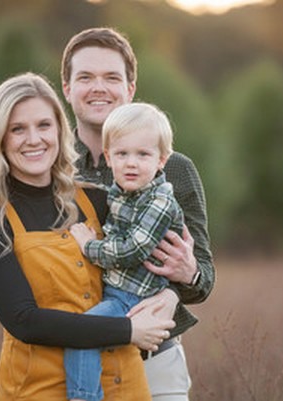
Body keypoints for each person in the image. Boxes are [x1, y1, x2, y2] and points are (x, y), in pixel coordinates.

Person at [0, 72, 175, 401]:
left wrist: (173, 292)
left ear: (60, 131)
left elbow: (153, 255)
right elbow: (24, 321)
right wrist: (128, 330)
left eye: (44, 125)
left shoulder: (98, 199)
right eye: (18, 129)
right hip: (40, 389)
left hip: (126, 386)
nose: (34, 139)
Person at [61, 27, 216, 400]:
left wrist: (181, 285)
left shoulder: (174, 168)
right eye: (86, 77)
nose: (99, 87)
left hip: (154, 358)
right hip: (69, 352)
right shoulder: (49, 167)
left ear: (130, 88)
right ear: (67, 88)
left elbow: (204, 277)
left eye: (112, 77)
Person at [64, 102, 184, 401]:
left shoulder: (160, 202)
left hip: (134, 298)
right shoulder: (121, 192)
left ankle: (83, 398)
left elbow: (134, 249)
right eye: (122, 154)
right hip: (116, 292)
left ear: (161, 160)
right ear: (108, 157)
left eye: (143, 154)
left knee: (82, 335)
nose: (131, 163)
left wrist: (89, 246)